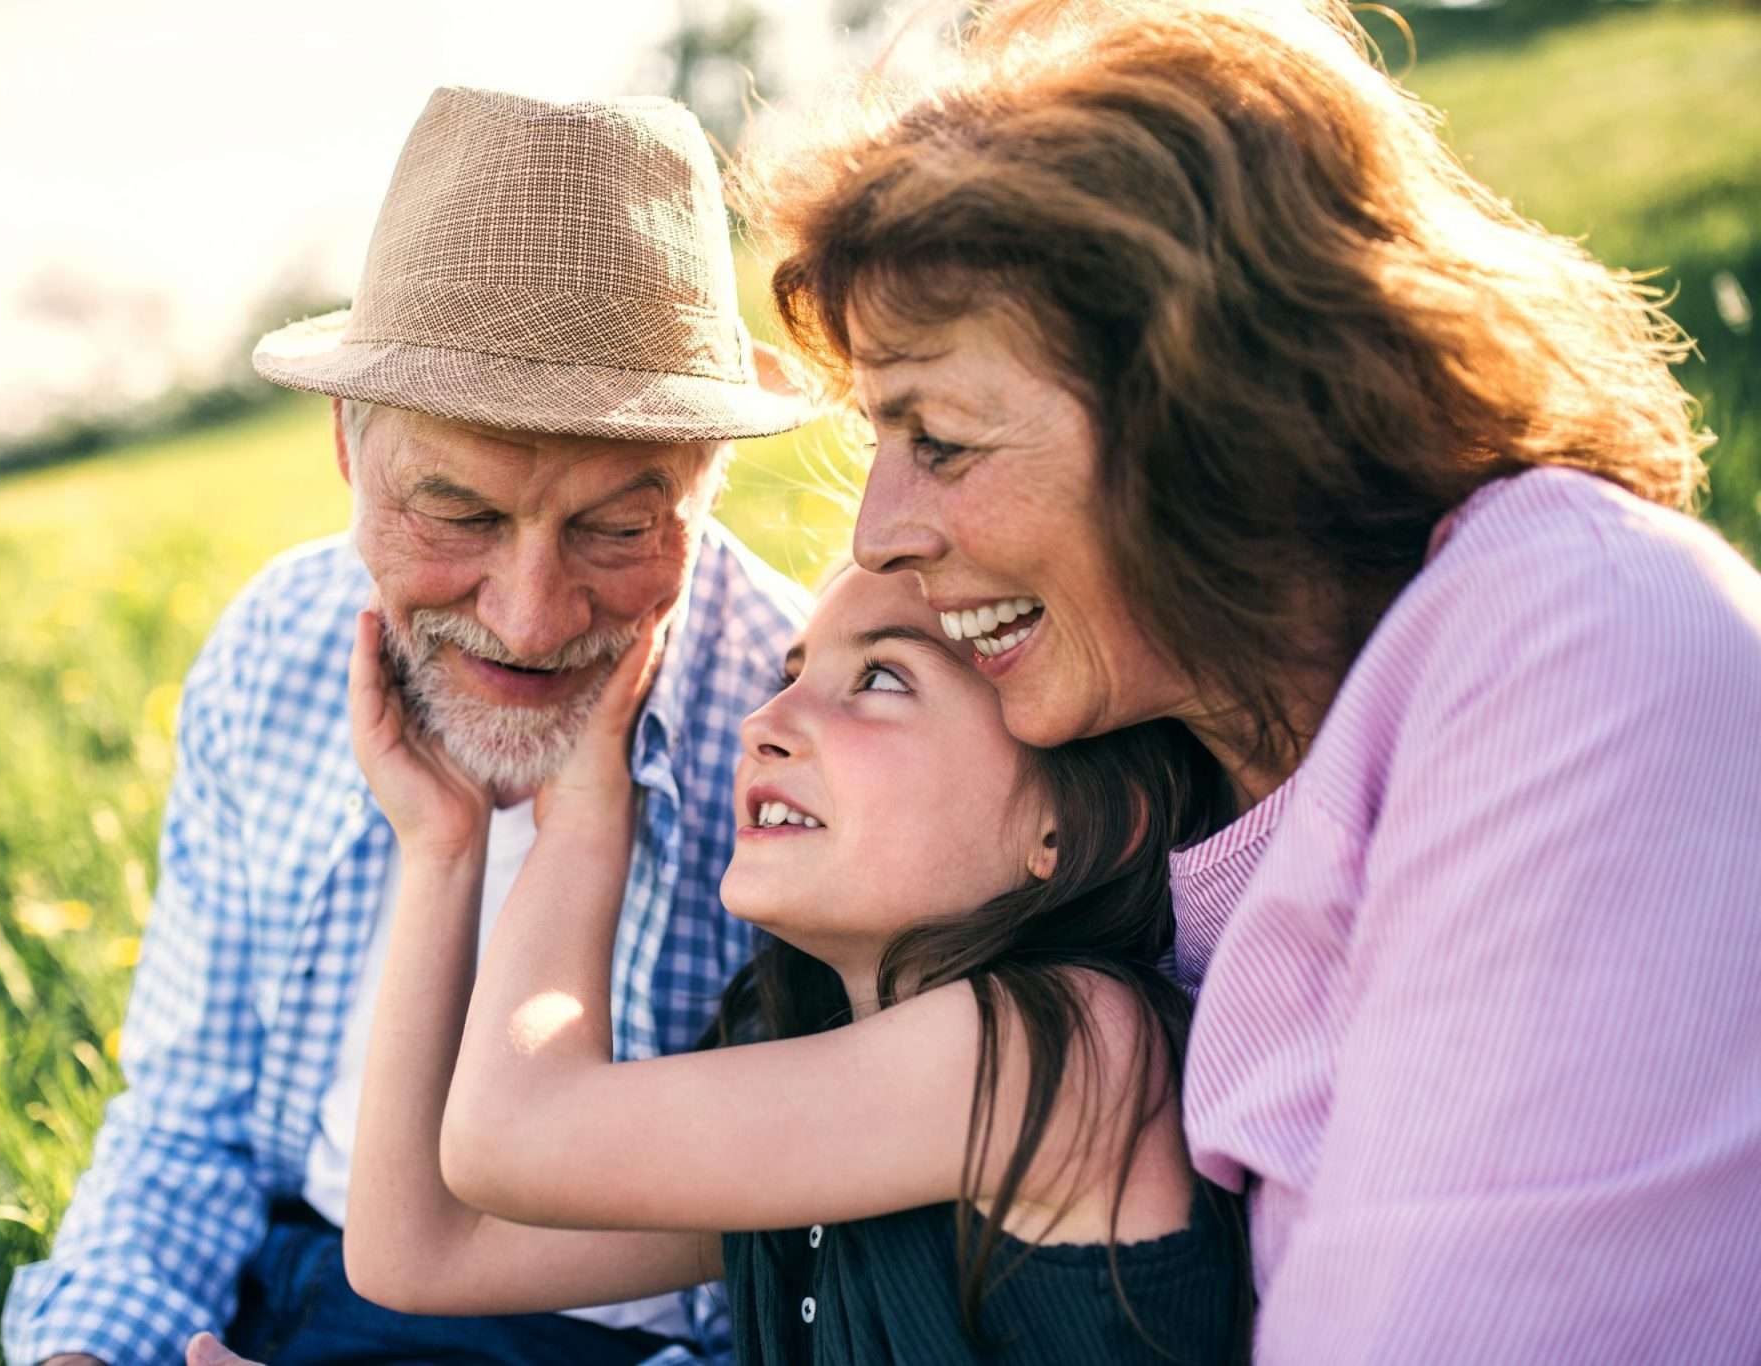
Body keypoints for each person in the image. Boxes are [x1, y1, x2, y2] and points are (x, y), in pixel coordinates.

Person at [741, 0, 1761, 1360]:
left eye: (940, 437)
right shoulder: (1180, 766)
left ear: (1206, 414)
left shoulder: (1577, 642)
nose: (878, 533)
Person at [2, 86, 815, 1366]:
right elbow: (187, 1122)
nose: (533, 618)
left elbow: (817, 1271)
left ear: (708, 481)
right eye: (457, 513)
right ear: (345, 446)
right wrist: (92, 1352)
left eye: (614, 525)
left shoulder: (806, 719)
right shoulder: (271, 650)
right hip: (301, 1282)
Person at [197, 561, 1243, 1366]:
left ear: (1069, 827)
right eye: (790, 674)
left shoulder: (1061, 1051)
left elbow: (510, 1135)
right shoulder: (824, 1117)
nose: (765, 721)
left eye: (879, 677)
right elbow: (417, 1248)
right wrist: (442, 847)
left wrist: (586, 819)